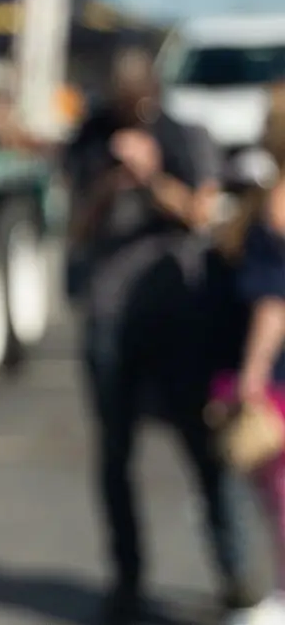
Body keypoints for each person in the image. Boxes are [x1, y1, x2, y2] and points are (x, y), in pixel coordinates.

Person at [65, 46, 259, 624]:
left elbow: (205, 216)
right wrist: (108, 183)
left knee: (206, 453)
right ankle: (127, 581)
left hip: (179, 318)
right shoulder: (90, 140)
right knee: (115, 456)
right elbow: (75, 229)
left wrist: (152, 178)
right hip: (109, 316)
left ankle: (237, 575)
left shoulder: (181, 134)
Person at [213, 84, 285, 620]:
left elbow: (273, 303)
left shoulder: (279, 203)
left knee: (279, 494)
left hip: (280, 379)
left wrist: (251, 376)